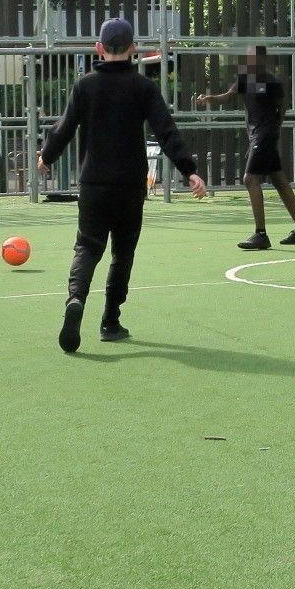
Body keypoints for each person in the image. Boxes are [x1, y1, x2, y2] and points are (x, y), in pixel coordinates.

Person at [38, 18, 208, 352]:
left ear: (98, 48)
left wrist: (47, 156)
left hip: (93, 183)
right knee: (123, 253)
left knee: (87, 246)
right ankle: (110, 321)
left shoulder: (84, 86)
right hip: (131, 185)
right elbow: (166, 131)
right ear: (134, 49)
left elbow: (65, 127)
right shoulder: (143, 88)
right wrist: (189, 170)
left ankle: (76, 299)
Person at [196, 44, 295, 251]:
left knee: (250, 179)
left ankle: (261, 234)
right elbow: (230, 95)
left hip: (265, 136)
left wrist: (274, 129)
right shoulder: (244, 78)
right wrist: (209, 99)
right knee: (279, 180)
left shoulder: (271, 82)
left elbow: (282, 107)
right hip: (257, 136)